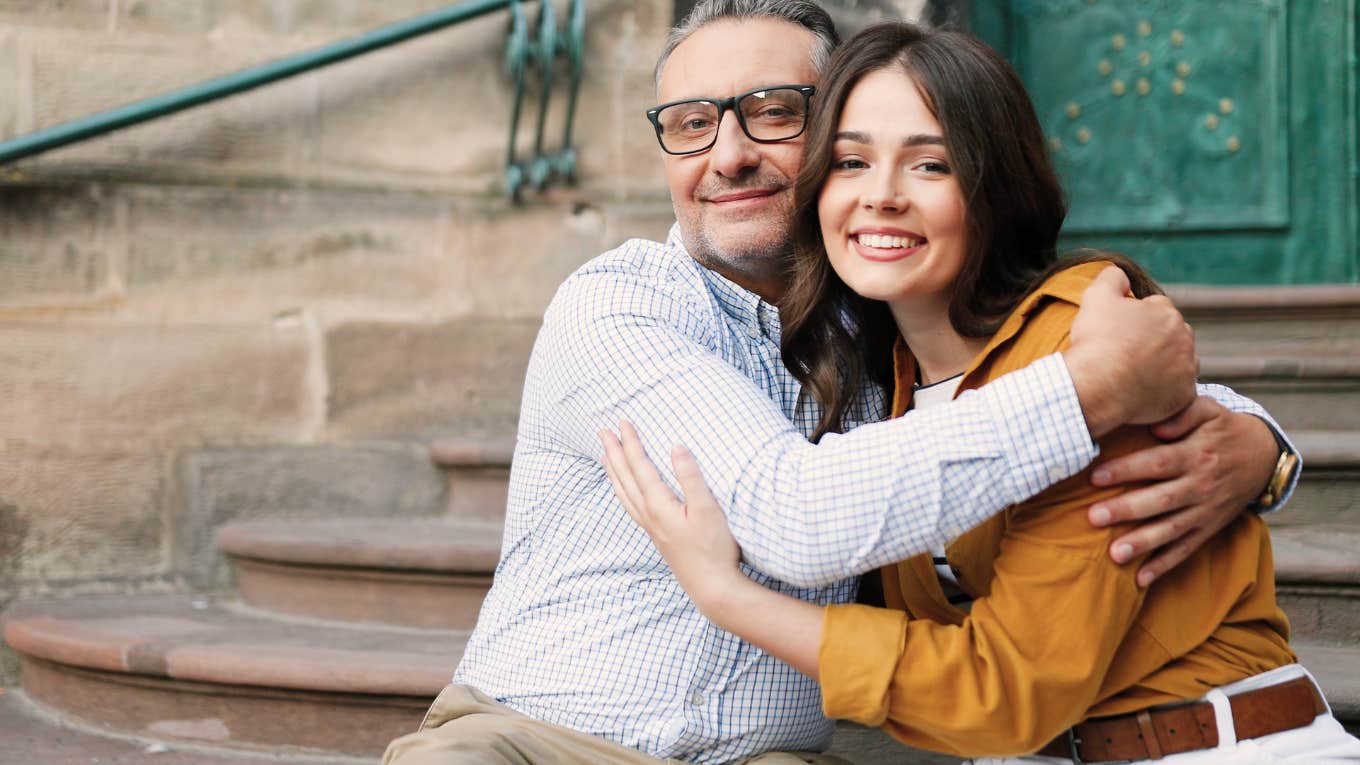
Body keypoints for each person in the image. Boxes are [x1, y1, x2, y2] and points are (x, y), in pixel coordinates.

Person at [381, 2, 1299, 764]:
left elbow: (1011, 359)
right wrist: (1093, 390)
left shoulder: (890, 327)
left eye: (774, 110)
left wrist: (1250, 437)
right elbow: (793, 513)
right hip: (533, 742)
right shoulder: (619, 306)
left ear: (831, 140)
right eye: (693, 123)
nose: (729, 152)